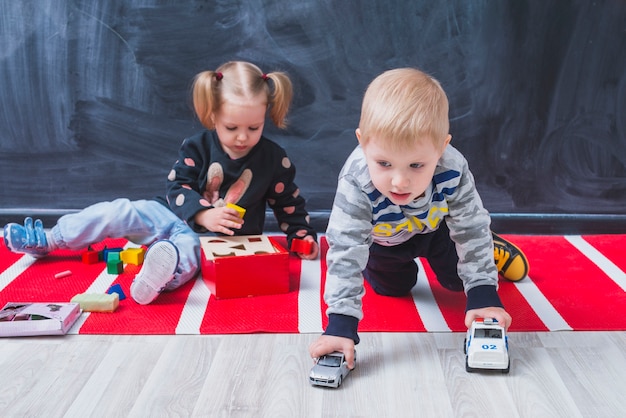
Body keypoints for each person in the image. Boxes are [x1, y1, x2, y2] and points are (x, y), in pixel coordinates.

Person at [3, 61, 319, 305]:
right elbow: (177, 186)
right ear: (212, 117)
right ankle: (52, 239)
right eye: (232, 126)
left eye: (254, 127)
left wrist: (301, 236)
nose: (242, 137)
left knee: (185, 255)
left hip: (212, 243)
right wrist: (203, 213)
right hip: (169, 214)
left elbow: (288, 203)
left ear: (266, 116)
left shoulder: (273, 159)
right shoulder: (197, 146)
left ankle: (156, 278)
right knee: (120, 211)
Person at [308, 68, 528, 369]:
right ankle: (398, 270)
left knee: (457, 283)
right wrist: (341, 324)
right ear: (363, 143)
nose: (399, 182)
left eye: (416, 165)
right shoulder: (356, 180)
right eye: (384, 163)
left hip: (438, 231)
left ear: (440, 148)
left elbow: (470, 226)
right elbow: (346, 248)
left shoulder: (453, 168)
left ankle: (493, 249)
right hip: (384, 241)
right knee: (393, 289)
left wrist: (483, 292)